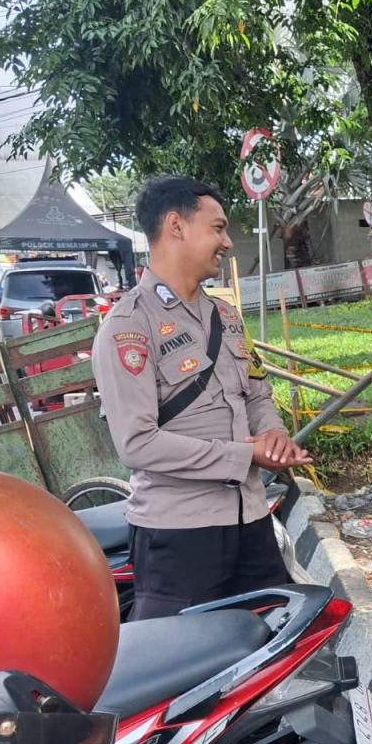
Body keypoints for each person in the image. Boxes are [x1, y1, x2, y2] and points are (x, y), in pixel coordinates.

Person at [92, 176, 311, 620]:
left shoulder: (225, 317)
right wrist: (243, 455)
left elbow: (256, 392)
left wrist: (272, 435)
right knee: (184, 670)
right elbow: (137, 444)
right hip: (178, 535)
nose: (227, 242)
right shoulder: (128, 325)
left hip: (250, 521)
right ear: (176, 226)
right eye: (218, 228)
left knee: (270, 649)